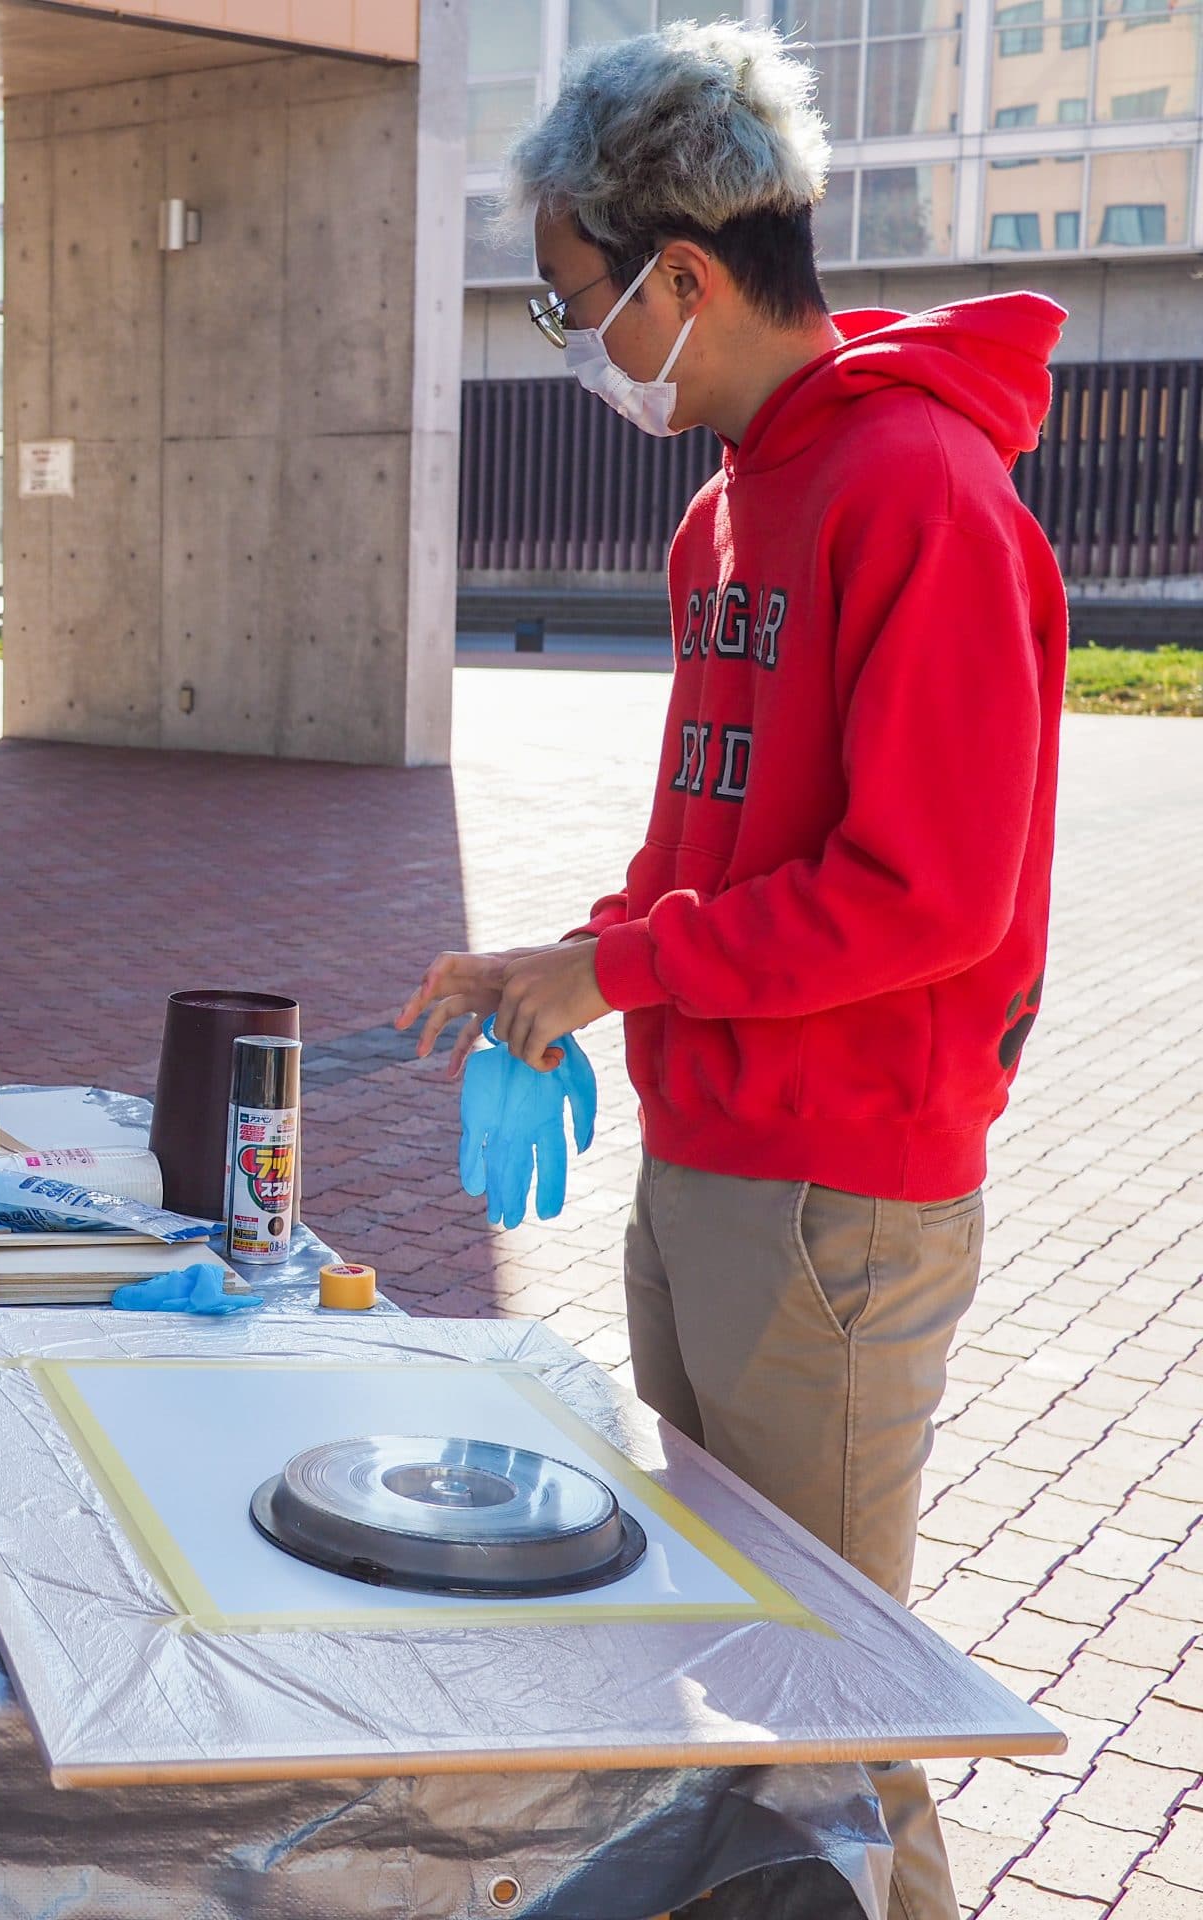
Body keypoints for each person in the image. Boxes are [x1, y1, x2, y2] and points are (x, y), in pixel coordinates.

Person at [395, 25, 1065, 1920]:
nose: (580, 339)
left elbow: (928, 893)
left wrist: (622, 974)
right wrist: (577, 965)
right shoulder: (731, 507)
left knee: (828, 1703)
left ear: (684, 273)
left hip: (841, 1190)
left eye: (577, 296)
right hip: (715, 1158)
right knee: (731, 1647)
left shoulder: (918, 489)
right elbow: (713, 845)